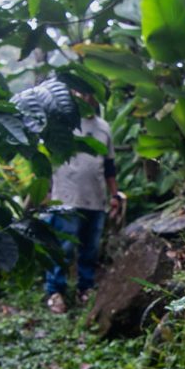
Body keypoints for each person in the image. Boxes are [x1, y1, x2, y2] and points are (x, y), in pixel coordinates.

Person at [44, 97, 123, 313]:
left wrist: (115, 195)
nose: (85, 98)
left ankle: (85, 289)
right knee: (63, 248)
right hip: (66, 198)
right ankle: (55, 292)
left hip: (96, 199)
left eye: (89, 93)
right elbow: (47, 158)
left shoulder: (103, 127)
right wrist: (47, 192)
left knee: (90, 248)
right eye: (79, 93)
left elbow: (109, 166)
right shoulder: (62, 123)